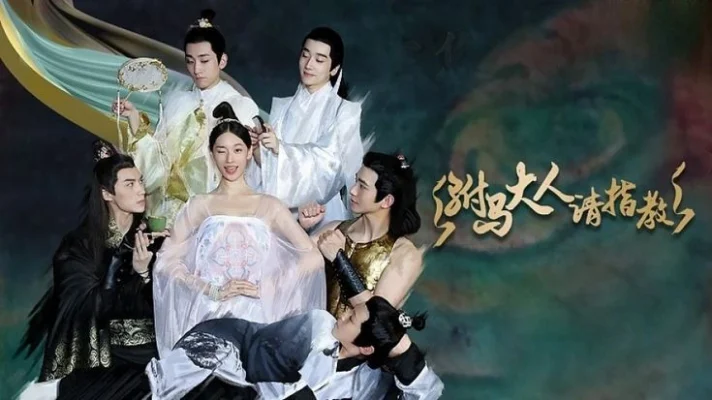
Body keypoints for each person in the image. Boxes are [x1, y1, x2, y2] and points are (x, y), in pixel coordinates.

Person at [150, 101, 326, 359]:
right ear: (211, 154)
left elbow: (312, 258)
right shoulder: (199, 205)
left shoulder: (269, 205)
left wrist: (267, 287)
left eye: (237, 150)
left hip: (259, 317)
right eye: (221, 151)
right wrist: (206, 288)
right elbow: (166, 261)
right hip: (206, 315)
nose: (230, 159)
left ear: (249, 152)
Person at [15, 141, 168, 399]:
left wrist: (146, 273)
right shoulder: (79, 245)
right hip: (107, 353)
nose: (141, 190)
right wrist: (122, 268)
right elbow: (82, 306)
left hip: (152, 349)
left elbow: (166, 303)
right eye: (129, 184)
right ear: (107, 194)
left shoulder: (155, 239)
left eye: (140, 182)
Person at [112, 9, 260, 226]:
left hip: (215, 212)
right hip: (168, 212)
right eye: (190, 61)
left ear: (222, 61)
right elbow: (159, 161)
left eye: (204, 60)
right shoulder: (178, 103)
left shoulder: (240, 106)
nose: (196, 69)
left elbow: (249, 170)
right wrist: (133, 116)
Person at [147, 293, 443, 399]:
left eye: (352, 318)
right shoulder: (318, 325)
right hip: (230, 358)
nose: (342, 315)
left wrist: (404, 350)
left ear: (366, 348)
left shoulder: (370, 380)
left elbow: (427, 393)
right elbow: (267, 368)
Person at [246, 27, 370, 230]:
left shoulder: (344, 111)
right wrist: (259, 149)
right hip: (276, 208)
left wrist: (280, 149)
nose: (309, 64)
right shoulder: (283, 107)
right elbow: (270, 171)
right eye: (305, 55)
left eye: (319, 60)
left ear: (334, 69)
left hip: (321, 211)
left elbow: (331, 168)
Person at [299, 152, 425, 319]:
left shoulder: (404, 254)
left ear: (386, 201)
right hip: (310, 331)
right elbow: (290, 270)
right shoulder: (335, 229)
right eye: (356, 181)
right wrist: (302, 228)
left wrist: (340, 260)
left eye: (362, 186)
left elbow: (376, 318)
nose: (353, 190)